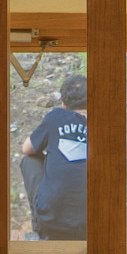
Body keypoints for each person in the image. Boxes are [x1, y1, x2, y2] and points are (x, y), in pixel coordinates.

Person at [21, 69, 89, 242]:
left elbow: (27, 149)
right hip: (94, 223)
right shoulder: (105, 121)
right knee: (122, 163)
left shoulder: (56, 116)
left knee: (29, 161)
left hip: (51, 223)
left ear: (63, 104)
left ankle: (39, 226)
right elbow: (124, 152)